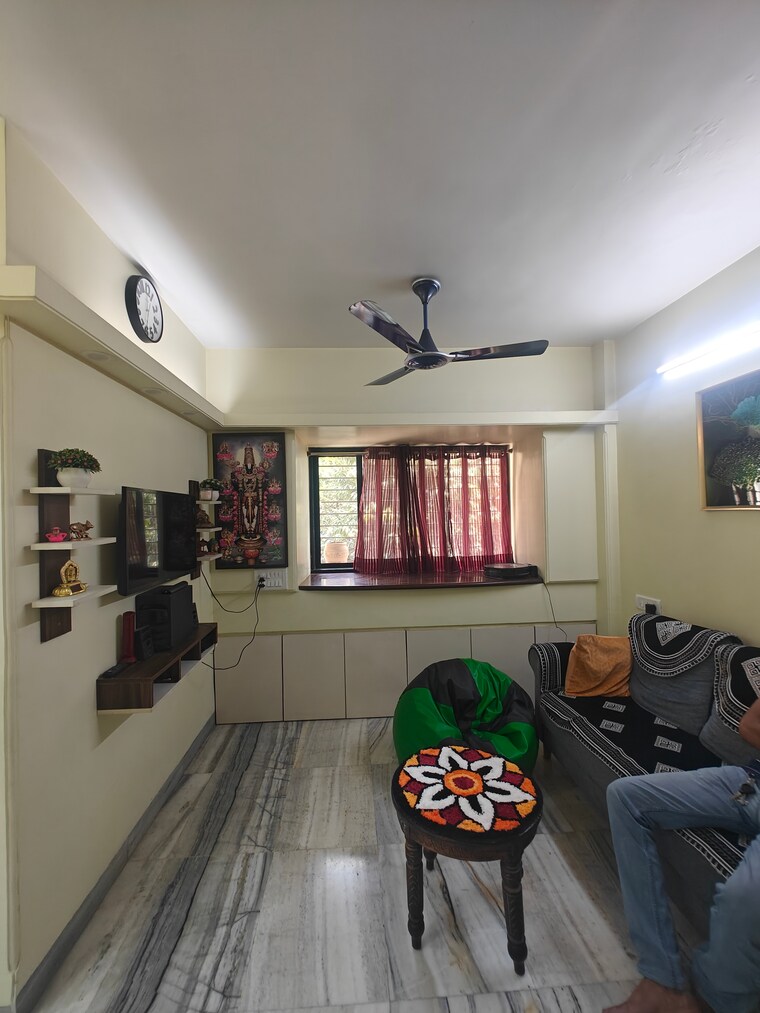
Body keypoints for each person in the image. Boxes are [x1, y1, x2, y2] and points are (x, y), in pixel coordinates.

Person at [603, 698, 760, 1013]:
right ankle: (661, 978)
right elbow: (750, 724)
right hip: (750, 783)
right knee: (625, 796)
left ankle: (710, 1000)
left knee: (744, 896)